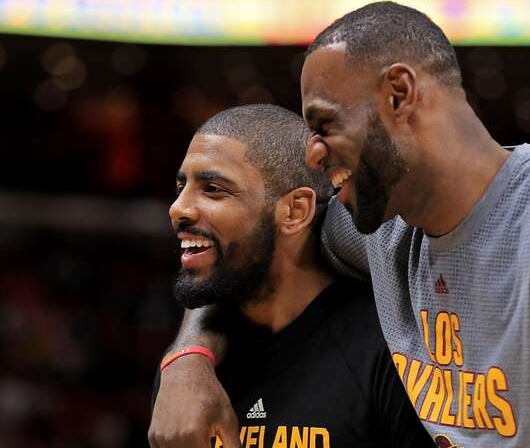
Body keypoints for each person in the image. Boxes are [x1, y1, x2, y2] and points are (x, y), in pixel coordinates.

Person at [151, 2, 530, 447]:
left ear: (399, 93)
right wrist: (187, 364)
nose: (314, 154)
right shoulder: (382, 230)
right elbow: (239, 251)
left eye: (324, 124)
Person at [148, 104, 435, 448]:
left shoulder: (389, 352)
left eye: (212, 188)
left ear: (295, 211)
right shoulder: (190, 375)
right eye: (182, 186)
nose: (178, 208)